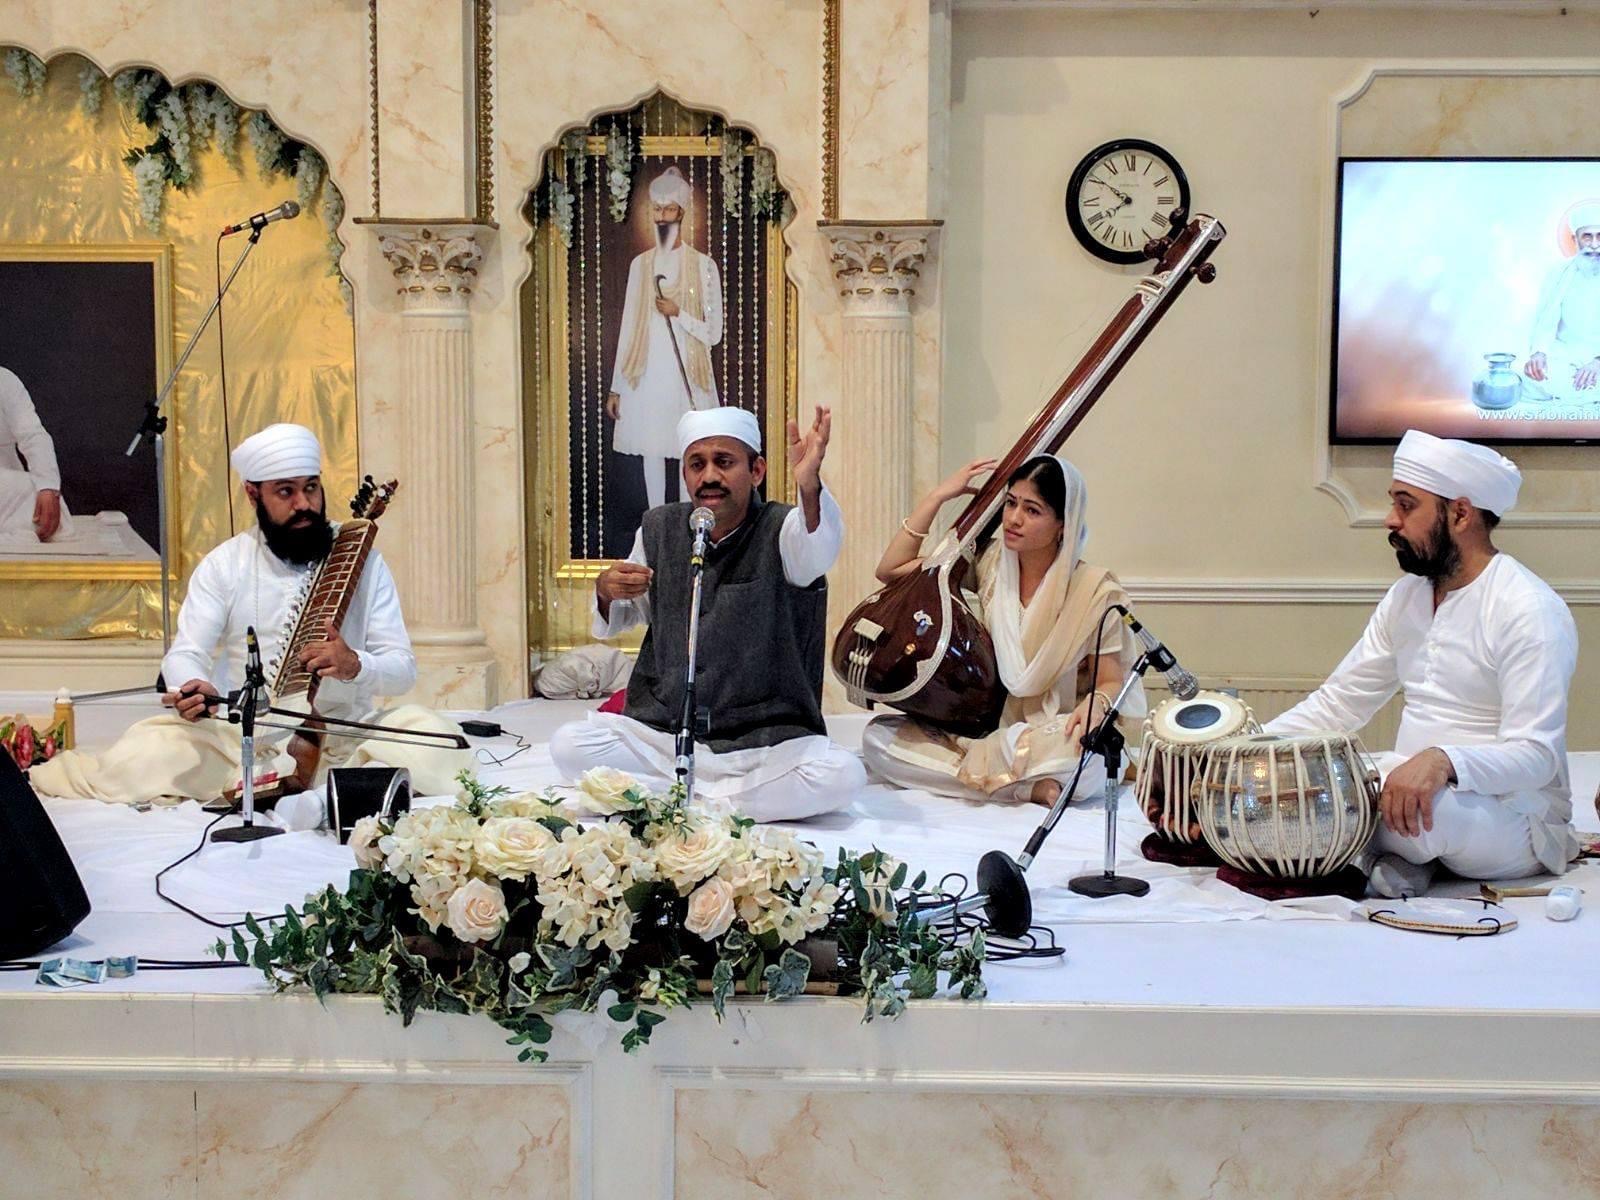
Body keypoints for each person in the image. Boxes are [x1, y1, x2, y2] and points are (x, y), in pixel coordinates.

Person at [31, 423, 466, 808]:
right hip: (240, 740)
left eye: (311, 488)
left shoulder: (362, 560)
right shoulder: (226, 564)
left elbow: (402, 669)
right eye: (285, 491)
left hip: (344, 735)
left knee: (436, 739)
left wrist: (356, 665)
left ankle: (312, 794)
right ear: (252, 493)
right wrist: (192, 687)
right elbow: (186, 653)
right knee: (148, 750)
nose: (304, 504)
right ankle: (315, 793)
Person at [1266, 430, 1578, 897]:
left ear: (1459, 513)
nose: (1390, 520)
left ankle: (1388, 853)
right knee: (1313, 785)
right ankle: (1403, 855)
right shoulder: (1408, 596)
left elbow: (1536, 756)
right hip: (1407, 790)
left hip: (1511, 817)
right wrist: (1245, 752)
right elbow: (1339, 703)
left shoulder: (1528, 608)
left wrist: (1441, 760)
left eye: (1406, 505)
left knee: (1421, 814)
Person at [550, 404, 863, 822]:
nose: (709, 476)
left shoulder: (782, 528)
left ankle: (676, 802)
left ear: (756, 471)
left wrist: (809, 487)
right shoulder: (660, 527)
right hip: (666, 728)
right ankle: (716, 804)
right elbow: (625, 615)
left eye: (724, 462)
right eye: (697, 464)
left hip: (762, 737)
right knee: (571, 745)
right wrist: (607, 591)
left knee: (840, 776)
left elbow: (817, 548)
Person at [860, 454, 1142, 806]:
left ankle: (986, 776)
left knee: (1091, 761)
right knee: (878, 739)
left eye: (1032, 510)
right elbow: (891, 569)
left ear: (1063, 525)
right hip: (987, 727)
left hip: (1052, 731)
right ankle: (1021, 787)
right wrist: (937, 497)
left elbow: (1111, 680)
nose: (1013, 519)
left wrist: (1098, 706)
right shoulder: (988, 563)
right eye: (1011, 503)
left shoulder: (1095, 590)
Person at [606, 165, 725, 512]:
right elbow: (629, 328)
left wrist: (679, 313)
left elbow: (712, 334)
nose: (661, 216)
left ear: (681, 213)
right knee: (653, 452)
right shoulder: (640, 266)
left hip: (688, 374)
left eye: (668, 209)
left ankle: (692, 528)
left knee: (691, 451)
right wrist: (617, 388)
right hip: (647, 376)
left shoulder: (704, 267)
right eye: (656, 209)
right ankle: (657, 528)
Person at [1523, 202, 1600, 402]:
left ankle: (1577, 391)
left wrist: (1598, 362)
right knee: (1528, 375)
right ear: (1575, 240)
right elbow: (1546, 319)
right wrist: (1539, 352)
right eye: (1587, 236)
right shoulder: (1559, 273)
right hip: (1565, 353)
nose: (1594, 244)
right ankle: (1583, 392)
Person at [0, 365, 72, 542]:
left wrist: (47, 486)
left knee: (39, 496)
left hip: (5, 483)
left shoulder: (4, 380)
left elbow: (33, 435)